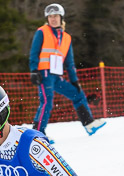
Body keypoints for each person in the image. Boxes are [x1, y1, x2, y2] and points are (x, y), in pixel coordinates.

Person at [29, 3, 106, 140]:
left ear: (61, 18)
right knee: (47, 101)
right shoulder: (42, 32)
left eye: (56, 16)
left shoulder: (66, 38)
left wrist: (74, 80)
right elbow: (34, 53)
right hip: (44, 74)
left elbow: (69, 63)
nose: (53, 19)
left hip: (56, 76)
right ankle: (38, 133)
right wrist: (34, 70)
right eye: (50, 17)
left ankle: (89, 123)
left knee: (77, 94)